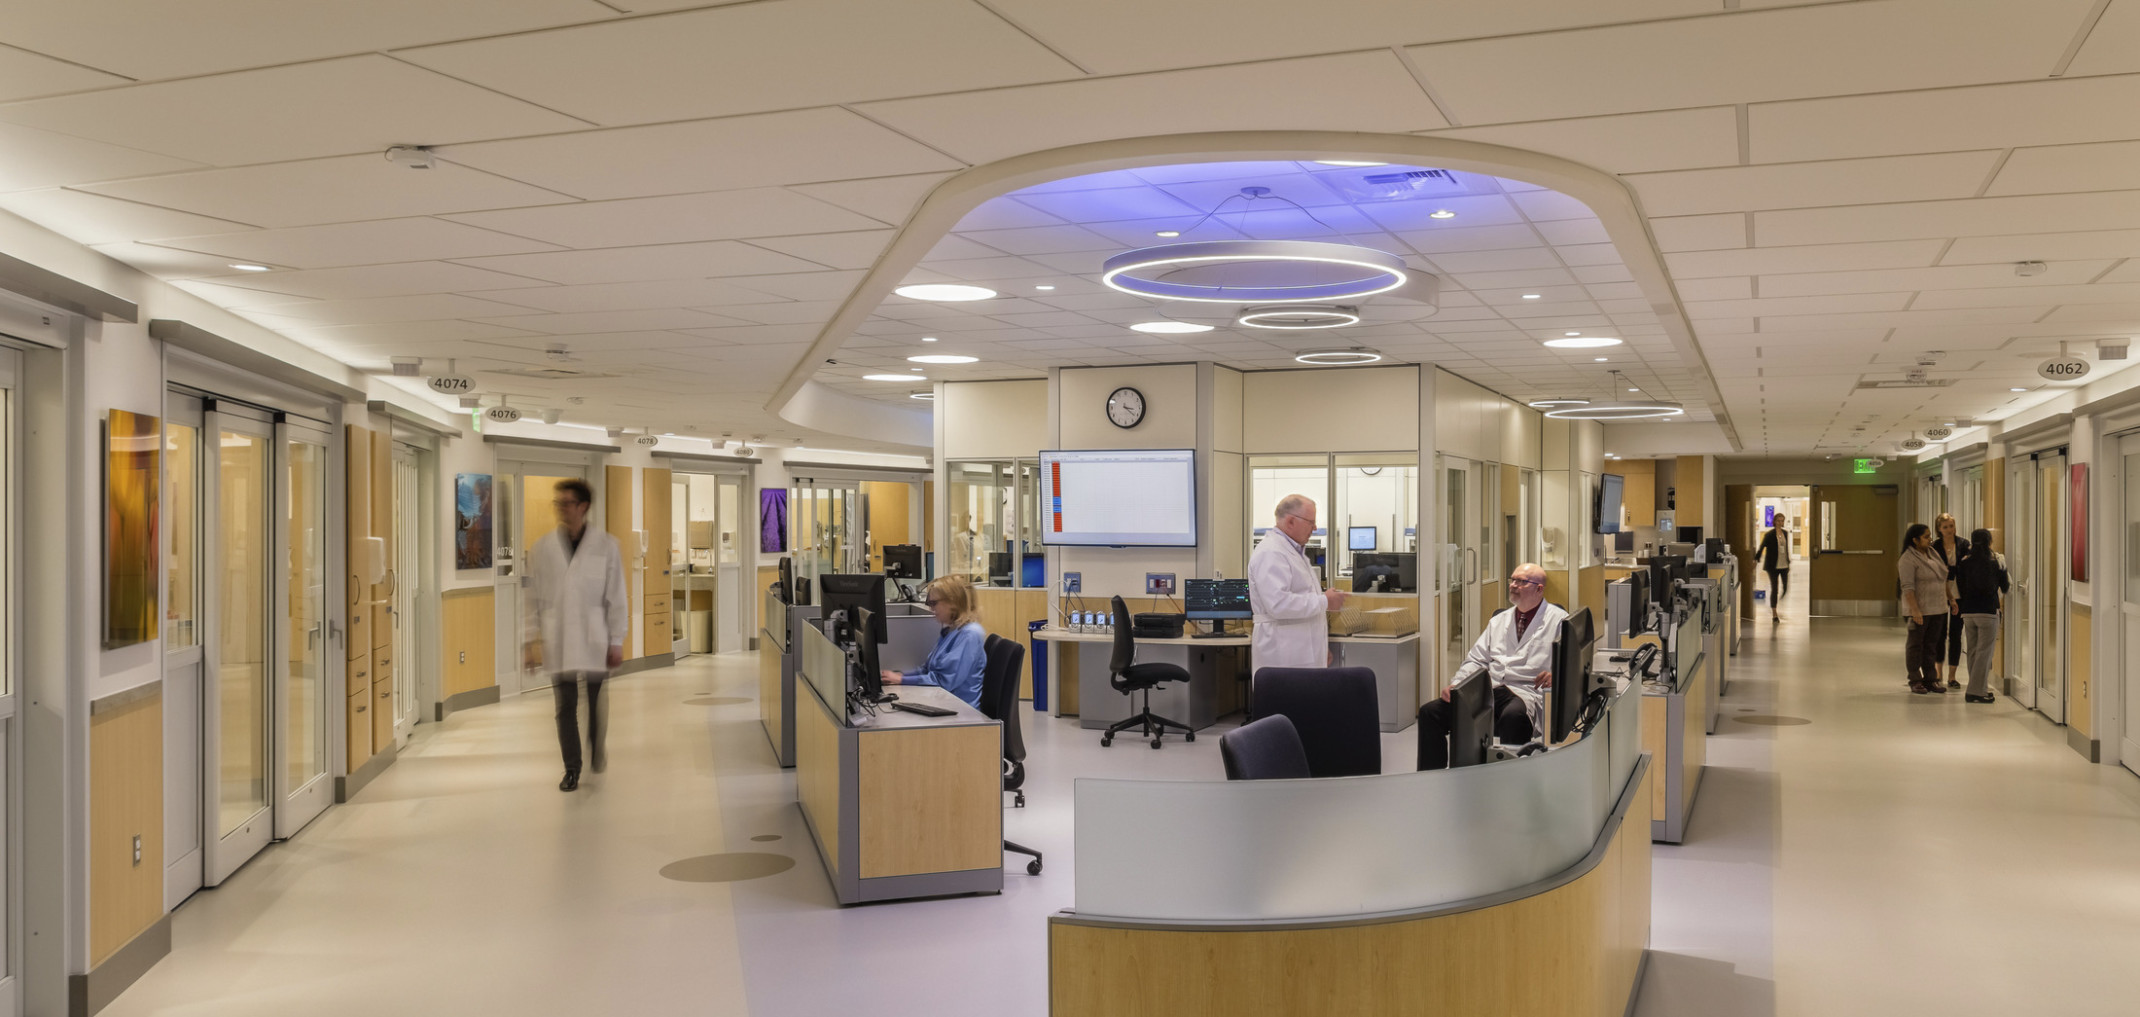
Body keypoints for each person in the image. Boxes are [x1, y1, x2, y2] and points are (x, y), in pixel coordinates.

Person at [527, 478, 629, 791]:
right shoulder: (543, 548)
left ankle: (597, 744)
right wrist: (530, 640)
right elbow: (532, 598)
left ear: (583, 507)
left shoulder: (607, 545)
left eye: (566, 503)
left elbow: (617, 595)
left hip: (596, 635)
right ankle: (571, 768)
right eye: (558, 503)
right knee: (564, 707)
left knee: (596, 702)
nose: (560, 509)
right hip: (558, 637)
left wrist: (616, 641)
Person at [1416, 563, 1565, 769]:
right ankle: (1431, 777)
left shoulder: (1558, 621)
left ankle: (1509, 780)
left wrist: (1555, 674)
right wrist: (1457, 685)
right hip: (1489, 689)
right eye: (1512, 580)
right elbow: (1476, 659)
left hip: (1525, 692)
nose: (1513, 585)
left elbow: (1568, 664)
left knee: (1513, 717)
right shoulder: (1499, 621)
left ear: (1539, 589)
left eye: (1521, 582)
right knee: (1430, 712)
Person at [1248, 494, 1347, 670]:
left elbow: (1303, 601)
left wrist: (1320, 647)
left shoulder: (1292, 552)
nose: (1315, 528)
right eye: (1311, 522)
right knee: (1287, 697)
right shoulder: (1271, 553)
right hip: (1283, 656)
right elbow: (1278, 604)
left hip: (1299, 653)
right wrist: (1325, 600)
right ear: (1291, 521)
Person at [879, 575, 987, 708]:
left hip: (960, 710)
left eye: (934, 603)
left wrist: (901, 679)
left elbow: (944, 681)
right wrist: (899, 676)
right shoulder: (951, 631)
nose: (931, 609)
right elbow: (927, 670)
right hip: (943, 701)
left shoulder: (970, 634)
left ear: (953, 602)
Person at [1953, 527, 2008, 704]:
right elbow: (2005, 586)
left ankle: (1979, 688)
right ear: (1989, 541)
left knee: (1973, 651)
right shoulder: (1996, 560)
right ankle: (1975, 691)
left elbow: (1959, 587)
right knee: (1984, 653)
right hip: (1988, 611)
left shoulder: (1964, 561)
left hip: (1968, 612)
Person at [1897, 522, 1950, 695]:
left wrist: (1951, 599)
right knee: (1915, 645)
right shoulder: (1907, 559)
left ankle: (1930, 679)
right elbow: (1907, 588)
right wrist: (1915, 610)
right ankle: (1915, 679)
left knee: (1931, 645)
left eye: (1929, 536)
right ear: (1915, 540)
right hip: (1920, 610)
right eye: (1926, 537)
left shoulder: (1932, 554)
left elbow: (1942, 578)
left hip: (1938, 608)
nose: (1930, 539)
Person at [1929, 513, 1968, 690]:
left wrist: (1952, 570)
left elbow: (1967, 568)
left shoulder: (1964, 544)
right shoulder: (1934, 547)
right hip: (1940, 593)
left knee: (1956, 634)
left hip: (1960, 594)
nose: (1949, 530)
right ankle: (1938, 673)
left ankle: (1952, 675)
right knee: (1939, 634)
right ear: (1939, 530)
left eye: (1951, 526)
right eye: (1945, 527)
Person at [1757, 520, 1791, 621]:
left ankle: (1778, 599)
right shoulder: (1769, 534)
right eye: (1779, 520)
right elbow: (1762, 546)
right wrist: (1756, 558)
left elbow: (1785, 549)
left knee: (1785, 587)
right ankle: (1774, 613)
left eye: (1782, 520)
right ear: (1775, 522)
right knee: (1774, 588)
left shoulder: (1785, 533)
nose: (1781, 522)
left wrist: (1788, 561)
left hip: (1784, 564)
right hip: (1772, 565)